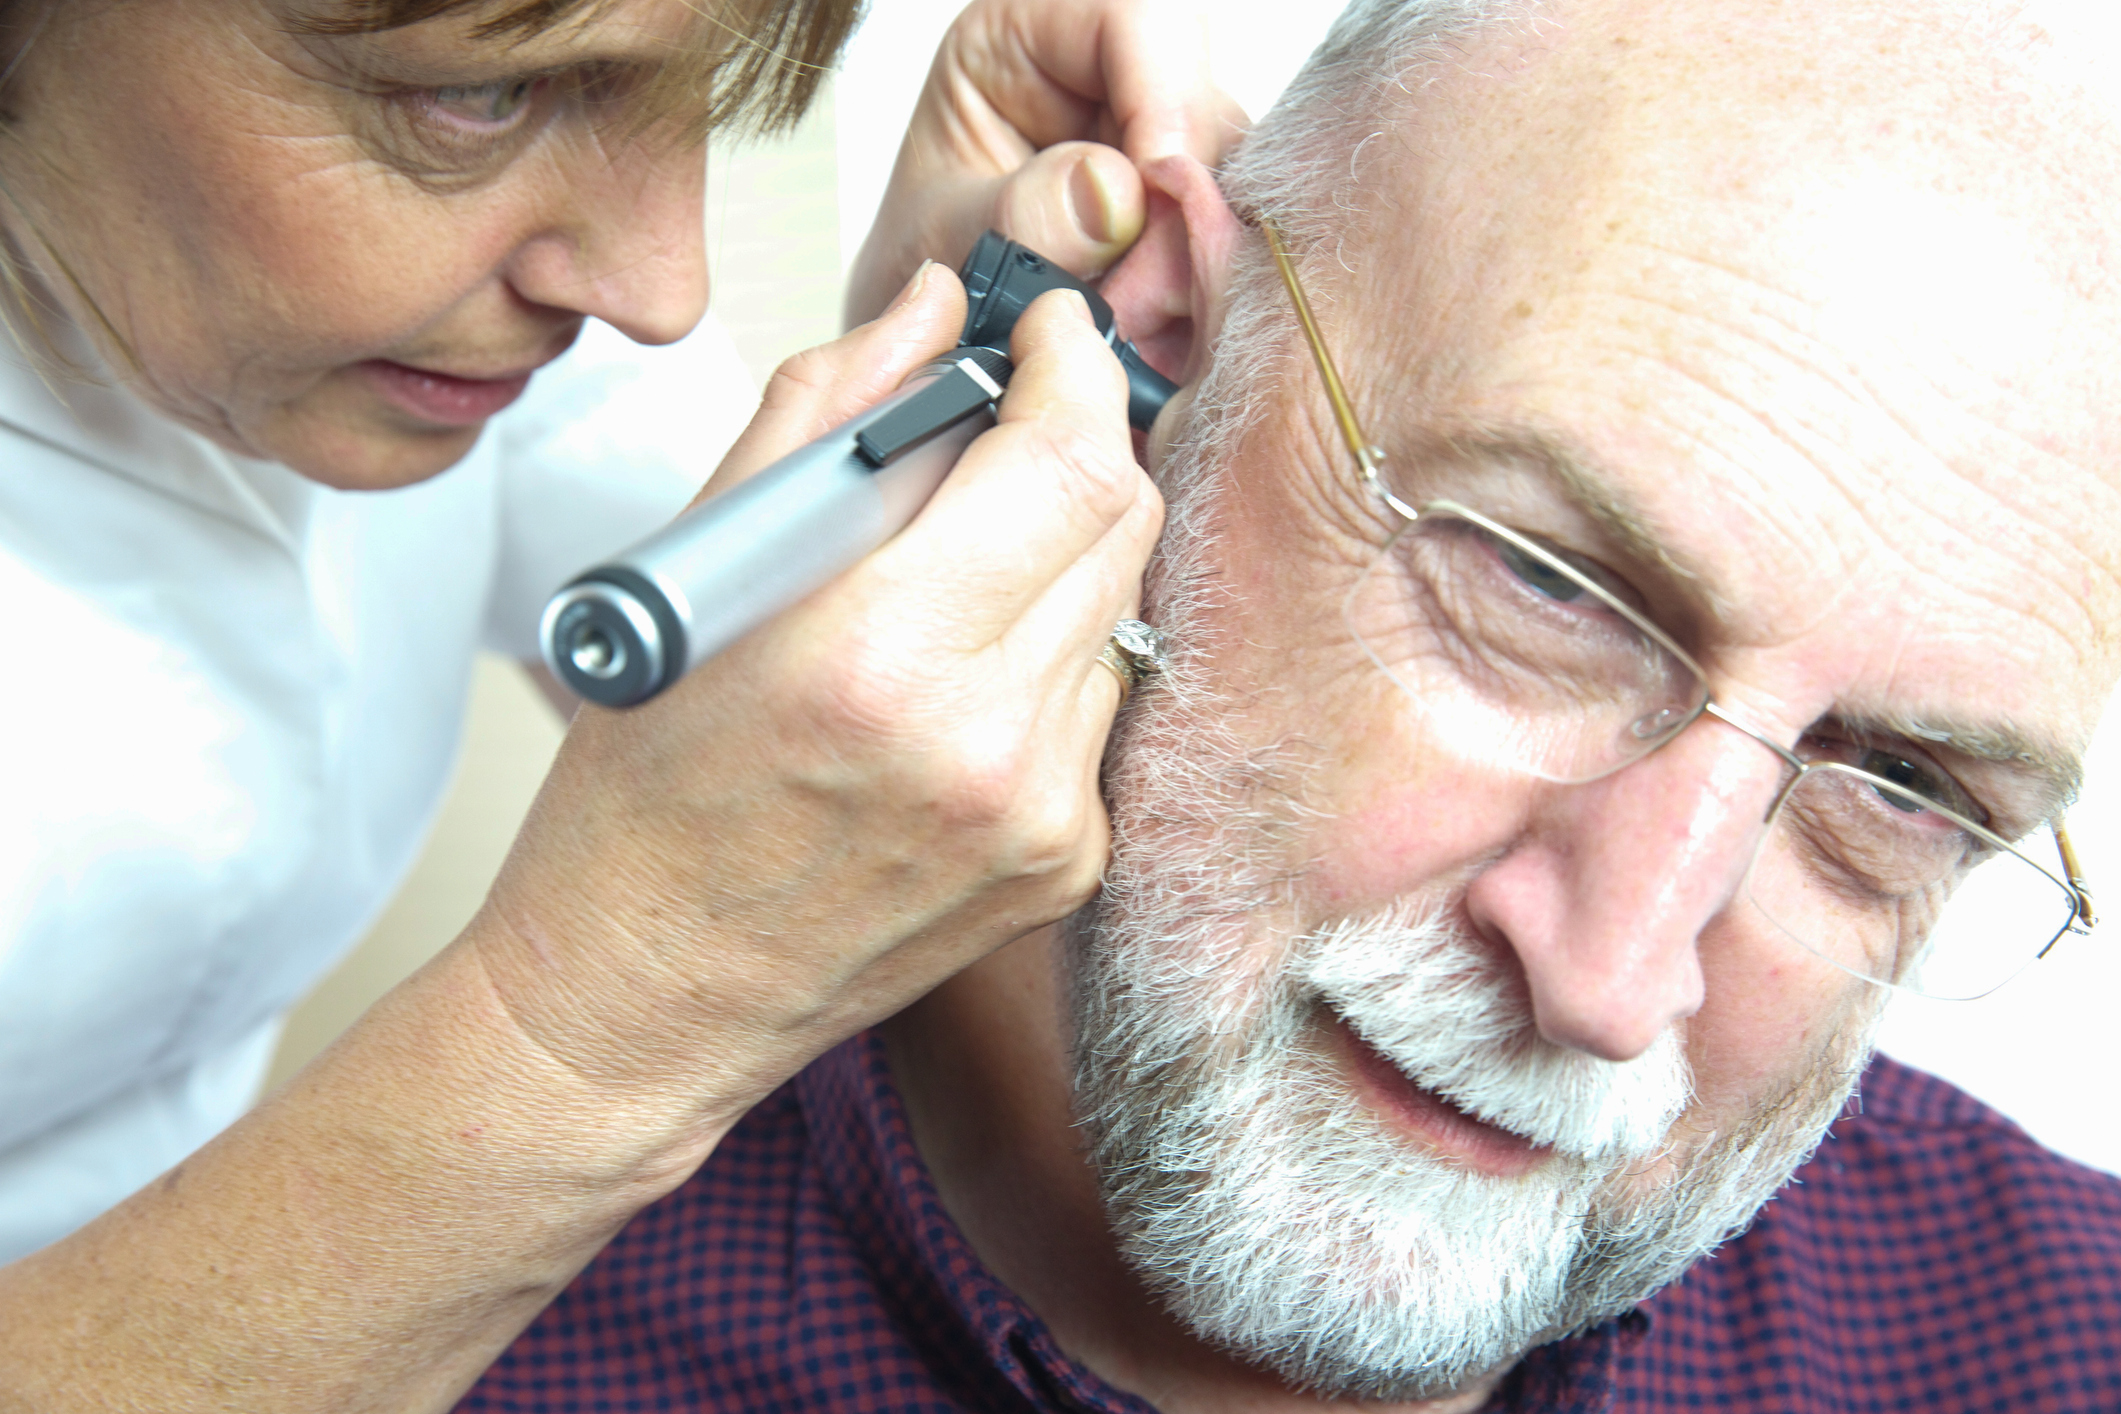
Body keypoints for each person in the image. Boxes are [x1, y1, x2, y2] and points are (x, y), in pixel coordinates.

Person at [463, 0, 2121, 1409]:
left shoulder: (2066, 1337)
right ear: (1162, 348)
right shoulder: (426, 1316)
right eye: (1545, 585)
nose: (1609, 987)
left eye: (1900, 780)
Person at [0, 0, 1248, 1406]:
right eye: (485, 100)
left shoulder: (432, 333)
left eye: (700, 97)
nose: (664, 289)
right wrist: (580, 1025)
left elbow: (752, 650)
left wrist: (925, 387)